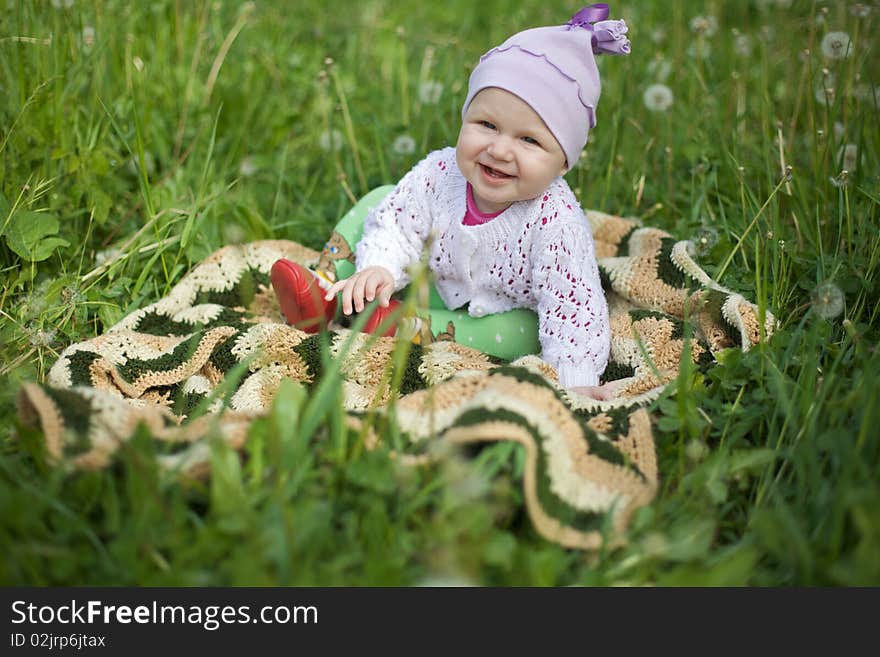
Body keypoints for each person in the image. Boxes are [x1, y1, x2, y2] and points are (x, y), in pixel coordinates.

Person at [271, 4, 630, 400]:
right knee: (381, 200)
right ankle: (324, 288)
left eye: (529, 140)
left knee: (521, 332)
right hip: (435, 281)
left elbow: (573, 308)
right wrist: (380, 268)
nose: (499, 149)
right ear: (465, 119)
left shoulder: (557, 223)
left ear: (563, 163)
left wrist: (577, 381)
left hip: (502, 314)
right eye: (487, 125)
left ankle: (394, 322)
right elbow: (398, 226)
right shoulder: (441, 174)